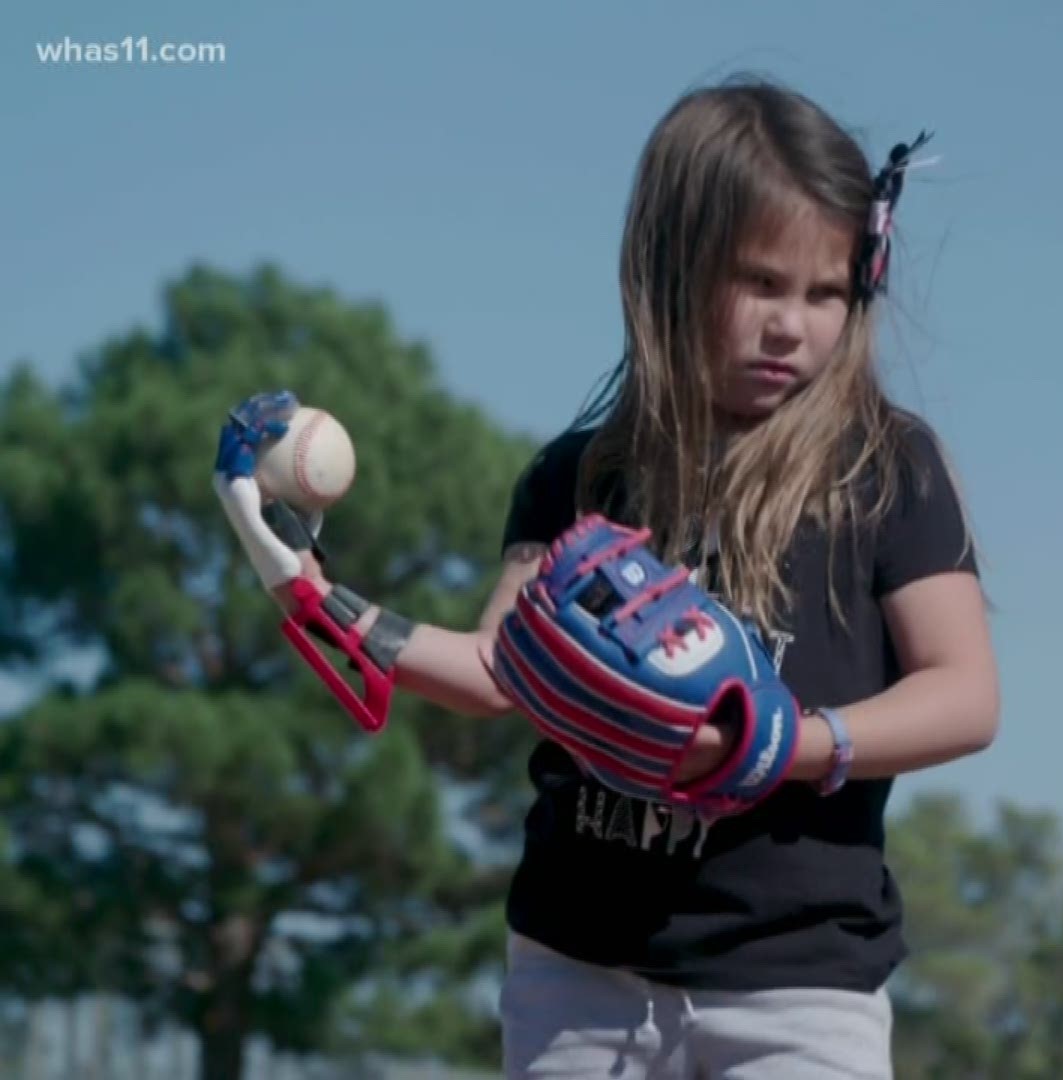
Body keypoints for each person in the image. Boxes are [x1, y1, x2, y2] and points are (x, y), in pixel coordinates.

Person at [218, 76, 999, 1079]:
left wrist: (792, 745)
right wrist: (320, 601)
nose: (792, 327)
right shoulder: (578, 474)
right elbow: (501, 672)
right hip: (577, 975)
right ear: (671, 270)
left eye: (827, 294)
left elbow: (965, 695)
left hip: (802, 987)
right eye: (760, 283)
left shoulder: (889, 468)